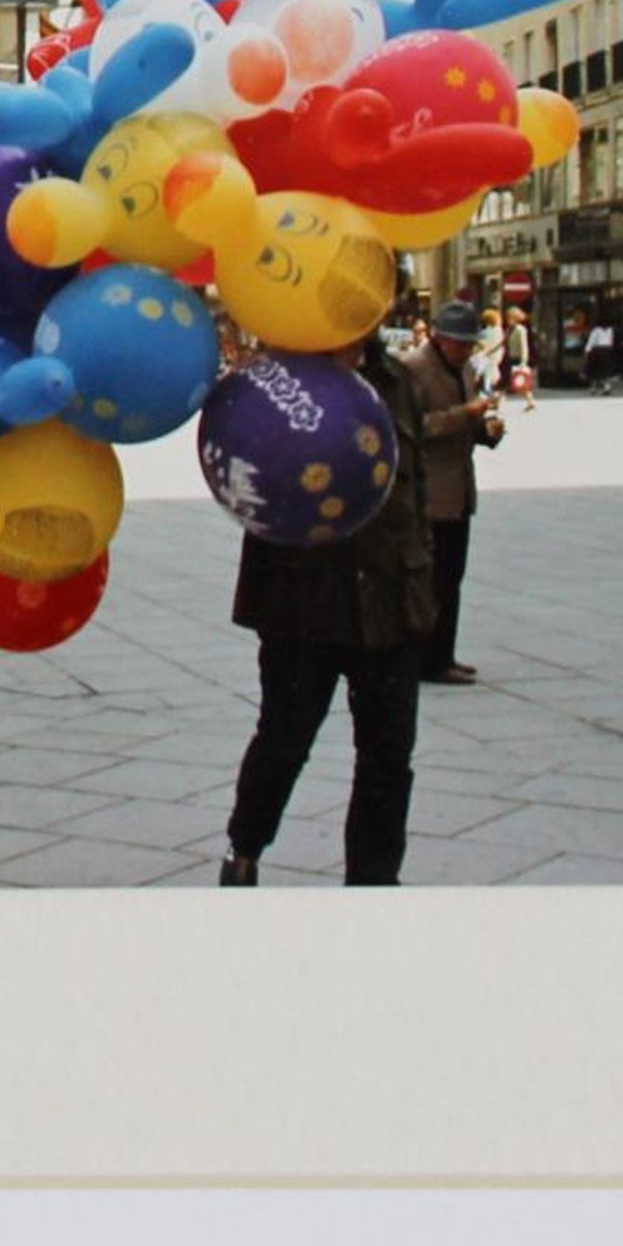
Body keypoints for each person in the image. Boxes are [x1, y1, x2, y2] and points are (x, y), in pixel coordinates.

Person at [219, 329, 437, 887]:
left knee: (389, 759)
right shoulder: (276, 382)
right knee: (283, 743)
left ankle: (373, 883)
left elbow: (415, 489)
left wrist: (422, 575)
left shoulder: (399, 381)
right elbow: (248, 489)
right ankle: (243, 851)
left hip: (389, 599)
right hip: (302, 601)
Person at [401, 300, 505, 685]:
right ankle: (426, 658)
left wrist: (485, 431)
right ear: (439, 338)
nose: (465, 351)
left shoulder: (463, 369)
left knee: (452, 578)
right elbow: (413, 426)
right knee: (431, 582)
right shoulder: (414, 369)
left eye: (469, 345)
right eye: (459, 344)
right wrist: (467, 415)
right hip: (431, 494)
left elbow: (465, 420)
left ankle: (444, 653)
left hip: (459, 490)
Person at [503, 305, 539, 410]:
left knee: (517, 381)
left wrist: (523, 362)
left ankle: (530, 401)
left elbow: (524, 346)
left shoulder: (520, 329)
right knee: (515, 381)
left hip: (518, 358)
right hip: (511, 357)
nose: (508, 319)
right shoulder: (509, 329)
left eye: (509, 317)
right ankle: (530, 401)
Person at [584, 317, 616, 396]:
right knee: (606, 370)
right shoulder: (610, 330)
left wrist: (587, 351)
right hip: (607, 351)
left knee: (594, 370)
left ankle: (593, 388)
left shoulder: (596, 330)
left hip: (597, 351)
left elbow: (591, 341)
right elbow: (611, 341)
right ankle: (607, 388)